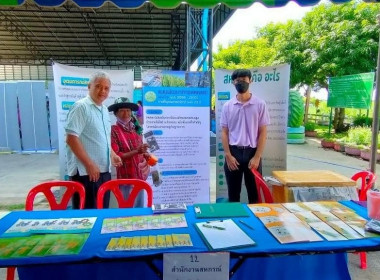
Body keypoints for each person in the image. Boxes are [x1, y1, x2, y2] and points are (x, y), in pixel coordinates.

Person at [65, 71, 122, 209]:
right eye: (98, 86)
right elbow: (71, 138)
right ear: (89, 86)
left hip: (103, 171)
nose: (102, 91)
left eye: (106, 88)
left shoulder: (103, 110)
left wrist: (112, 154)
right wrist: (89, 164)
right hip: (87, 173)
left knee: (102, 213)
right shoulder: (81, 107)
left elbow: (103, 138)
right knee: (87, 217)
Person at [220, 69, 270, 203]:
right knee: (233, 195)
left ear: (250, 81)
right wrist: (228, 155)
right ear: (233, 83)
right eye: (237, 81)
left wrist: (257, 157)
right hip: (233, 153)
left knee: (254, 195)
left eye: (243, 80)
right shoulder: (228, 106)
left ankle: (254, 223)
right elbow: (224, 132)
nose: (240, 83)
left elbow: (263, 132)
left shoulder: (260, 104)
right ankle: (233, 223)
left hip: (252, 154)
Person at [108, 97, 150, 207]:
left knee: (140, 209)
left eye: (128, 110)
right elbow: (117, 156)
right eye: (122, 110)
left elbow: (140, 150)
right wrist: (137, 151)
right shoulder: (113, 130)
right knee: (127, 210)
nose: (125, 113)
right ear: (116, 113)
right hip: (126, 179)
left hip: (140, 177)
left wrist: (145, 153)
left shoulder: (136, 129)